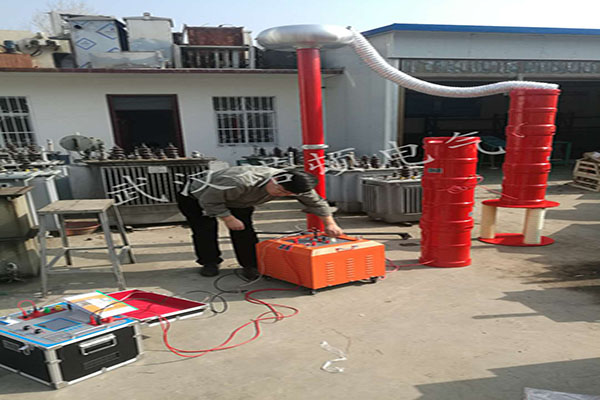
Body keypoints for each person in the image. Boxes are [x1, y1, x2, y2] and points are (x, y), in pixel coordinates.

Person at [176, 166, 344, 278]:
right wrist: (228, 218)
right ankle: (209, 262)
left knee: (244, 230)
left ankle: (250, 265)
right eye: (279, 190)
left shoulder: (296, 184)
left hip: (240, 200)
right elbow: (208, 201)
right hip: (196, 195)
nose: (281, 195)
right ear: (275, 179)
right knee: (204, 229)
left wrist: (330, 224)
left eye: (287, 194)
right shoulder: (240, 180)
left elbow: (317, 203)